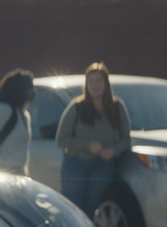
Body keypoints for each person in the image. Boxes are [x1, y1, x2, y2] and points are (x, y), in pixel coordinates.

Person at [55, 62, 131, 218]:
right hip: (76, 164)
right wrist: (88, 146)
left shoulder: (117, 107)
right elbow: (61, 139)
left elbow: (125, 139)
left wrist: (113, 150)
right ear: (86, 84)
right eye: (91, 81)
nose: (95, 85)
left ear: (106, 83)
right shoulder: (77, 107)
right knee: (72, 209)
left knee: (91, 208)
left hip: (103, 165)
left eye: (99, 81)